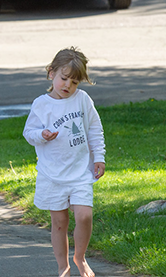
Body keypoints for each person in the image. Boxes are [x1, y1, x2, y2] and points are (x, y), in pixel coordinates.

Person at [23, 47, 106, 277]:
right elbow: (28, 132)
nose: (68, 85)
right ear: (51, 73)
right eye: (64, 78)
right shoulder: (41, 104)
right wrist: (42, 135)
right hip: (53, 175)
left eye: (74, 82)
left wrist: (99, 157)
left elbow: (95, 130)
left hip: (80, 172)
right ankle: (63, 267)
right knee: (59, 223)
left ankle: (80, 257)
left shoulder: (82, 100)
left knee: (84, 216)